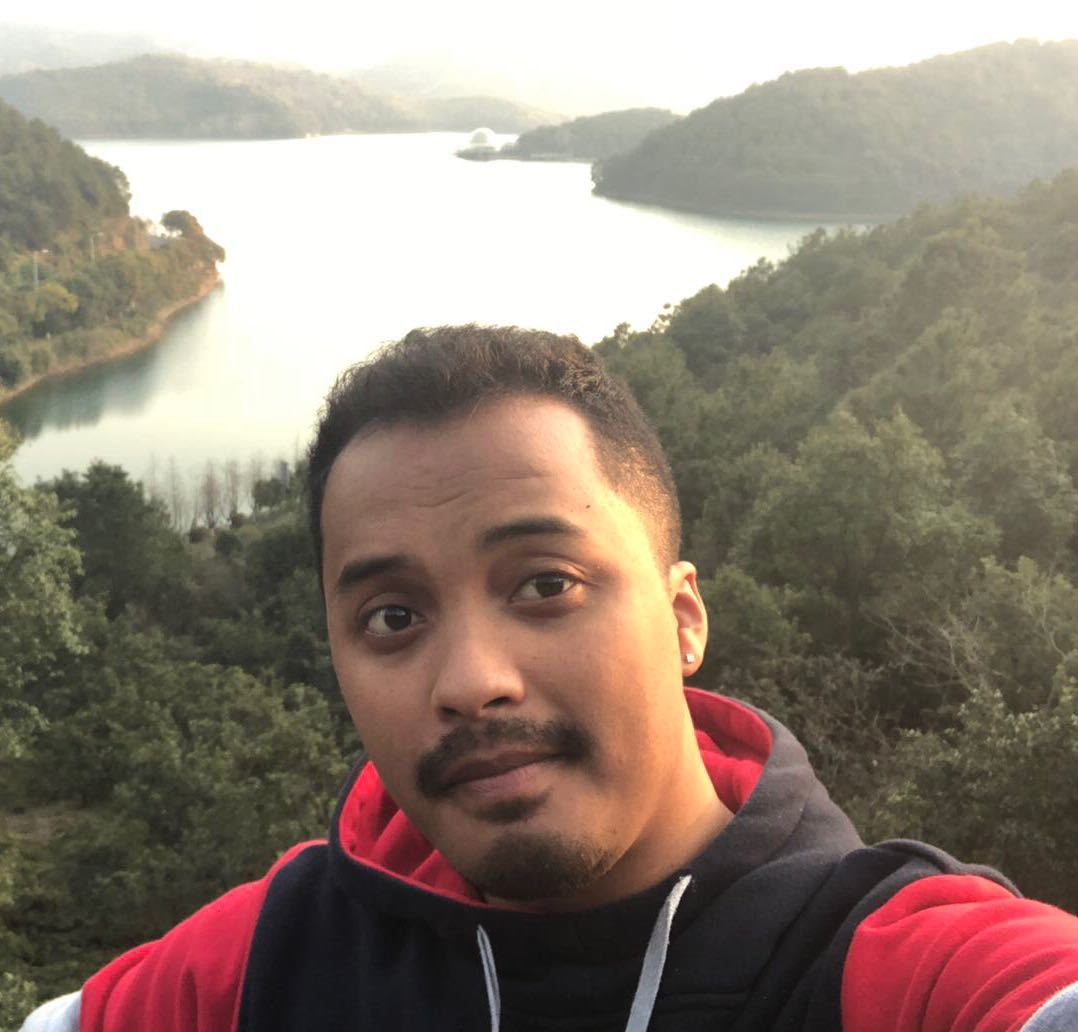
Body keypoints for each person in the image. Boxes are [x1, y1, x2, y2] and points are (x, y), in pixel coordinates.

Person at [22, 326, 1078, 1031]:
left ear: (682, 618)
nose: (470, 681)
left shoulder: (887, 969)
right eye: (392, 617)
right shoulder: (271, 961)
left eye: (545, 585)